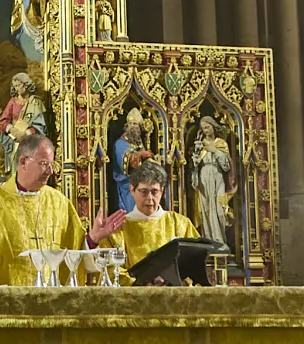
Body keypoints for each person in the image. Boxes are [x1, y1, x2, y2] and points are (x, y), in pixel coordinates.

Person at [0, 132, 126, 285]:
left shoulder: (59, 203)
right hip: (5, 306)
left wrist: (92, 239)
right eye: (44, 163)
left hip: (50, 306)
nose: (50, 171)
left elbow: (74, 257)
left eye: (52, 164)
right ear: (23, 162)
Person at [100, 160, 199, 281]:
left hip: (174, 295)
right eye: (144, 191)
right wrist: (143, 284)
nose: (150, 198)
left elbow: (195, 263)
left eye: (154, 191)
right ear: (132, 190)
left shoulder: (180, 224)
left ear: (162, 191)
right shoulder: (117, 228)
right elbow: (109, 269)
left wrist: (170, 281)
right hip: (133, 296)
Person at [190, 116, 234, 245]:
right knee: (206, 210)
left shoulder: (221, 143)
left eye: (208, 127)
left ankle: (220, 241)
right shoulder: (200, 144)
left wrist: (215, 151)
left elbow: (227, 167)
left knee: (219, 209)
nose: (206, 130)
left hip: (217, 176)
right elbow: (194, 166)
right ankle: (208, 240)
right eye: (203, 128)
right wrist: (195, 162)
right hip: (203, 177)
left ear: (213, 126)